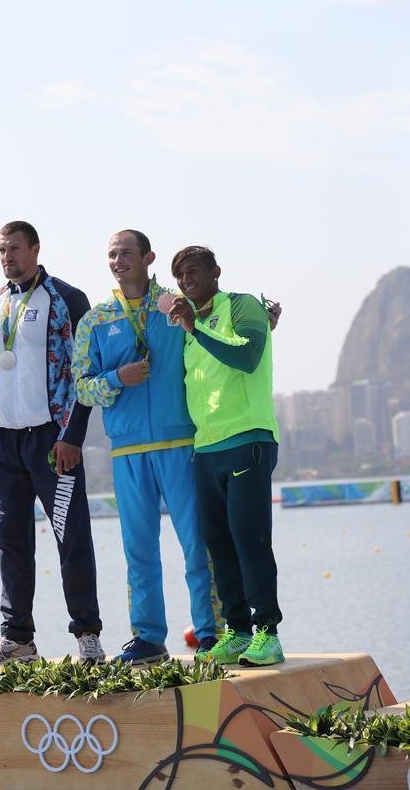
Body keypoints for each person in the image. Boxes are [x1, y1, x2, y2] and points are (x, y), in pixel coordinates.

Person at [72, 230, 219, 663]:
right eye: (111, 255)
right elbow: (82, 389)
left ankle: (211, 633)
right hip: (128, 451)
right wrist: (120, 378)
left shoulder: (177, 307)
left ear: (148, 257)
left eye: (126, 253)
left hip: (181, 442)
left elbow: (217, 339)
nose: (118, 261)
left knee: (197, 542)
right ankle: (149, 637)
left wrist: (264, 317)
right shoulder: (96, 320)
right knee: (139, 549)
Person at [0, 220, 104, 665]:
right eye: (1, 250)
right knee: (11, 541)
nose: (7, 257)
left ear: (36, 249)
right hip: (5, 441)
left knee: (72, 536)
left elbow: (83, 372)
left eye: (14, 248)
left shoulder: (67, 299)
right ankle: (17, 639)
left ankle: (87, 634)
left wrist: (73, 435)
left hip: (53, 441)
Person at [169, 245, 284, 666]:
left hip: (248, 438)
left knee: (249, 538)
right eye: (179, 275)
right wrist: (191, 327)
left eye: (193, 271)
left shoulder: (242, 306)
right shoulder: (186, 325)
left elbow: (249, 357)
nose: (185, 280)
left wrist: (197, 329)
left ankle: (268, 632)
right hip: (206, 447)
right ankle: (235, 631)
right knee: (218, 543)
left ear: (216, 271)